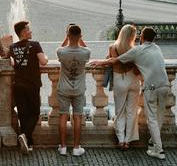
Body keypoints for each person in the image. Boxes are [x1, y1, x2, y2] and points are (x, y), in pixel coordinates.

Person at [91, 27, 170, 160]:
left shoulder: (133, 50)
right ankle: (138, 140)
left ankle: (153, 148)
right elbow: (138, 69)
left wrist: (100, 62)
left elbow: (113, 61)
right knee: (148, 114)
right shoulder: (157, 48)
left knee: (125, 113)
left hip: (142, 85)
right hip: (163, 85)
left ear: (142, 37)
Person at [8, 21, 48, 154]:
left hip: (18, 85)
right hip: (32, 84)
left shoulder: (12, 47)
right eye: (28, 29)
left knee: (23, 115)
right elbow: (43, 61)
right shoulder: (35, 45)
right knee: (35, 112)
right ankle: (25, 135)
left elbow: (10, 62)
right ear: (23, 32)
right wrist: (46, 56)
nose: (30, 31)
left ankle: (28, 143)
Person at [56, 24, 90, 157]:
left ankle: (63, 147)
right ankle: (76, 147)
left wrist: (67, 37)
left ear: (68, 35)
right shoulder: (86, 52)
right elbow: (85, 47)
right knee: (77, 118)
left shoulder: (62, 52)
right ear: (80, 36)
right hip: (79, 89)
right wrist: (79, 39)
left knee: (63, 116)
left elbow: (60, 47)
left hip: (64, 88)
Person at [107, 24, 141, 150]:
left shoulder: (112, 47)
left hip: (119, 80)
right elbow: (138, 70)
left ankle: (120, 140)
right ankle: (128, 140)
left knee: (119, 111)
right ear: (132, 36)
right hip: (133, 80)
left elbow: (110, 61)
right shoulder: (135, 50)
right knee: (132, 112)